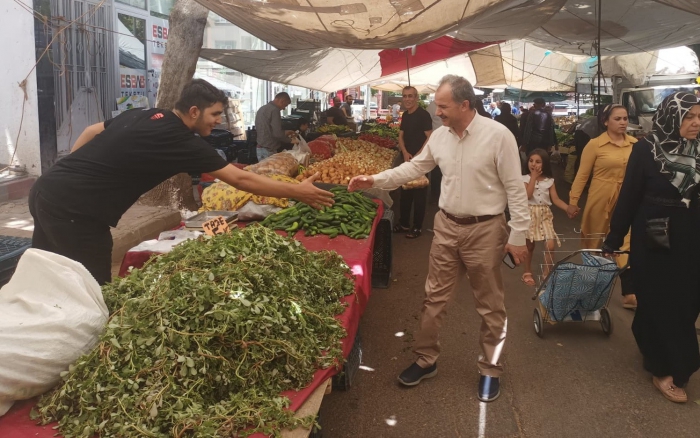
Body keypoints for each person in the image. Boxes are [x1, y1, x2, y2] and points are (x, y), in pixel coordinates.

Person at [29, 79, 334, 286]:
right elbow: (241, 179)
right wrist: (299, 191)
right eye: (215, 114)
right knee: (94, 286)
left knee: (45, 273)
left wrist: (71, 170)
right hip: (76, 212)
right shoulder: (182, 140)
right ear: (194, 112)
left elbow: (92, 130)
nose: (219, 121)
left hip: (47, 189)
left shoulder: (145, 114)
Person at [348, 74, 529, 402]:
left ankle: (491, 367)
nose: (438, 112)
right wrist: (373, 179)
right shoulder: (441, 137)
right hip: (446, 226)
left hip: (486, 229)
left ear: (464, 104)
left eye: (443, 106)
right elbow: (414, 168)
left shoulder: (498, 136)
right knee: (434, 299)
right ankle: (425, 359)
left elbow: (515, 188)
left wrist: (518, 234)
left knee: (490, 305)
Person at [602, 92, 700, 403]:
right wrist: (614, 240)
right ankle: (667, 368)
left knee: (687, 303)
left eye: (698, 116)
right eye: (688, 117)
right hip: (655, 239)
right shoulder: (646, 150)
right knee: (660, 301)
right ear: (672, 117)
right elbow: (629, 197)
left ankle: (653, 342)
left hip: (692, 239)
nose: (696, 123)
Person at [568, 104, 637, 308]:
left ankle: (629, 293)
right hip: (600, 197)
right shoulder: (595, 145)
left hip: (626, 199)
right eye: (618, 119)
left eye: (625, 118)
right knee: (593, 241)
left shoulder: (635, 144)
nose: (623, 122)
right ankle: (587, 288)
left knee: (626, 243)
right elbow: (582, 175)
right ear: (605, 121)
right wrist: (573, 201)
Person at [520, 149, 569, 286]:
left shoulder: (549, 181)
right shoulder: (524, 179)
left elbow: (556, 199)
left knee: (550, 245)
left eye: (538, 161)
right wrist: (533, 178)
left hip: (545, 215)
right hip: (530, 214)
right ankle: (527, 271)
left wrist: (567, 208)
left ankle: (546, 273)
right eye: (531, 161)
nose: (533, 164)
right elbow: (527, 196)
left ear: (545, 164)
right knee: (529, 246)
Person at [394, 86, 433, 238]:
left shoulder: (423, 115)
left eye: (411, 96)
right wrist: (404, 152)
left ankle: (417, 227)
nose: (407, 99)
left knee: (419, 195)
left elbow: (430, 137)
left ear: (416, 97)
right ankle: (404, 223)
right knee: (405, 193)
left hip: (421, 161)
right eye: (405, 96)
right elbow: (401, 136)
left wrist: (418, 155)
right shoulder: (406, 116)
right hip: (407, 160)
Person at [255, 92, 295, 161]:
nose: (284, 108)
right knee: (271, 171)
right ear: (282, 101)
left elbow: (267, 129)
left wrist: (285, 132)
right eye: (285, 105)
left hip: (260, 147)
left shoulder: (262, 108)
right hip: (269, 149)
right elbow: (277, 134)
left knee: (262, 171)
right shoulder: (275, 110)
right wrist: (291, 140)